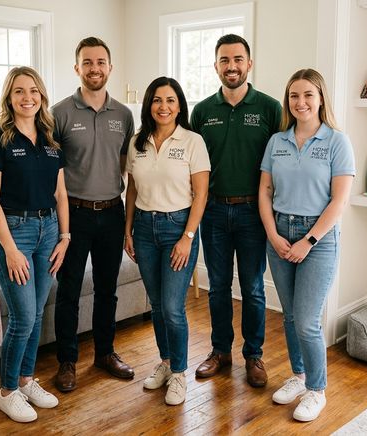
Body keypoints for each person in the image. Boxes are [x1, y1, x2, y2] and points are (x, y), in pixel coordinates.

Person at [258, 68, 355, 422]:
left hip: (319, 237)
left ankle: (317, 389)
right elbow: (265, 191)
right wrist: (272, 233)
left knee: (308, 321)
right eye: (294, 96)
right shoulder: (277, 141)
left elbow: (339, 202)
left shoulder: (336, 142)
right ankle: (298, 376)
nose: (300, 102)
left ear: (320, 99)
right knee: (291, 315)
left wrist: (308, 241)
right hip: (280, 232)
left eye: (308, 95)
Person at [0, 66, 70, 423]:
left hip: (49, 231)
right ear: (9, 97)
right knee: (22, 317)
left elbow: (61, 193)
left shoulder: (50, 140)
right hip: (14, 233)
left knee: (37, 312)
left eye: (33, 90)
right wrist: (11, 249)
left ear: (42, 96)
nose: (27, 97)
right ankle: (7, 391)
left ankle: (28, 381)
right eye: (19, 91)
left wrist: (65, 236)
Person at [189, 34, 282, 387]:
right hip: (212, 211)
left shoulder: (270, 108)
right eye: (225, 60)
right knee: (217, 287)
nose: (232, 66)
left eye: (238, 59)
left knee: (254, 288)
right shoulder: (202, 111)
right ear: (216, 66)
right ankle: (220, 351)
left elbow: (282, 160)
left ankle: (254, 356)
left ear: (249, 64)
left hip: (253, 213)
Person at [51, 36, 136, 392]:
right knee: (69, 290)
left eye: (100, 62)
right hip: (75, 213)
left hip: (112, 212)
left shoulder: (124, 114)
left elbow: (125, 165)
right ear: (77, 68)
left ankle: (105, 353)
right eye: (87, 62)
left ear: (110, 67)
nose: (94, 68)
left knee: (107, 288)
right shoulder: (59, 113)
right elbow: (52, 169)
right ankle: (67, 362)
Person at [124, 77, 210, 405]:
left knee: (174, 308)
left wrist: (188, 237)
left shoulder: (192, 141)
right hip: (144, 228)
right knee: (157, 304)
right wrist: (128, 230)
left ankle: (179, 374)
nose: (164, 107)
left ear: (179, 105)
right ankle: (165, 361)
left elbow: (201, 194)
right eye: (158, 100)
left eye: (171, 100)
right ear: (149, 105)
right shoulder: (137, 143)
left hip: (178, 227)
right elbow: (131, 189)